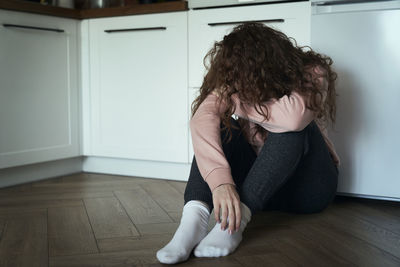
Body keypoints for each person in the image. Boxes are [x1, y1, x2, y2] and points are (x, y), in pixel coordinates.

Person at [156, 22, 339, 264]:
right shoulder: (233, 84)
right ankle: (193, 221)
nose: (240, 84)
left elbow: (293, 119)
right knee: (220, 126)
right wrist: (221, 183)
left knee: (295, 129)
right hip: (260, 190)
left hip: (308, 188)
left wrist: (235, 100)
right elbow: (201, 120)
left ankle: (232, 225)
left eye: (248, 75)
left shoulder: (313, 72)